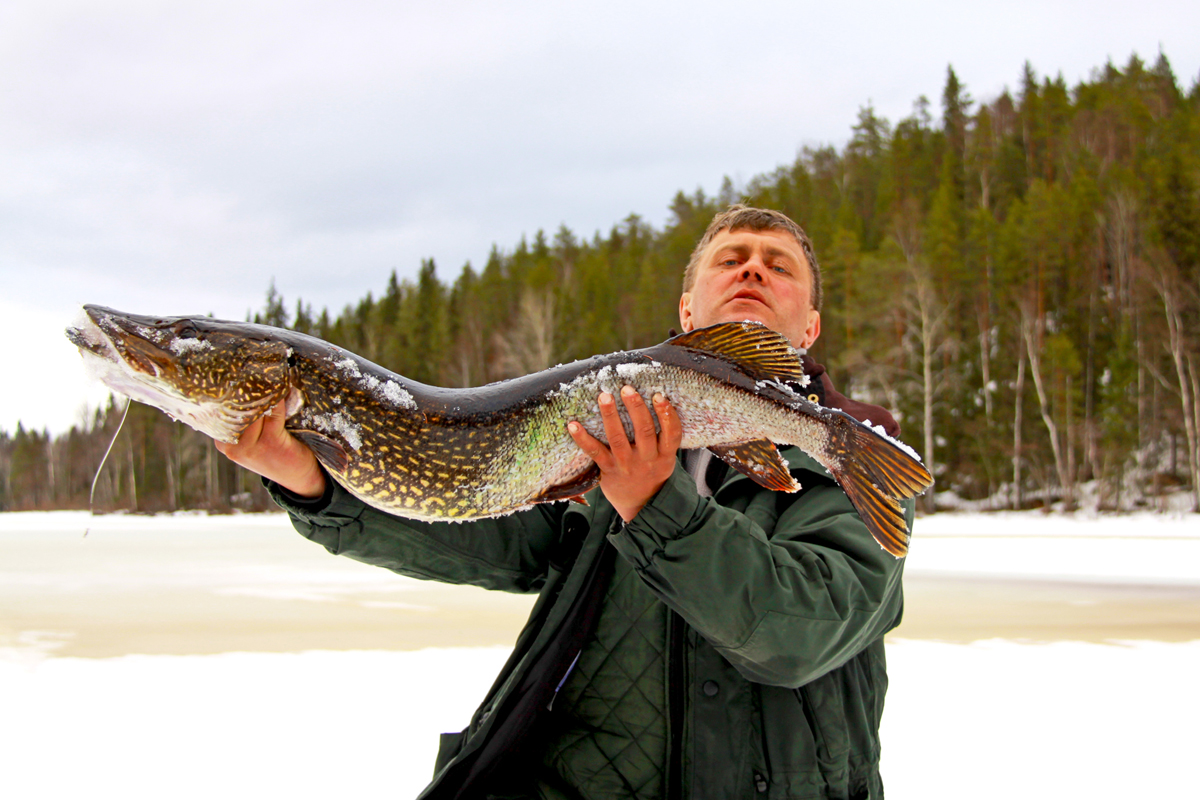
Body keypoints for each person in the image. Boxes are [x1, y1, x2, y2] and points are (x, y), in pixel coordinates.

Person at [217, 205, 914, 799]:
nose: (753, 269)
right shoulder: (598, 433)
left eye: (778, 264)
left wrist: (656, 504)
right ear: (686, 311)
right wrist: (316, 483)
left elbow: (804, 632)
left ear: (811, 327)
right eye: (731, 259)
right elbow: (488, 520)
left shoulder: (849, 460)